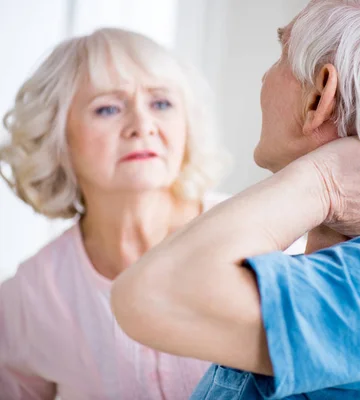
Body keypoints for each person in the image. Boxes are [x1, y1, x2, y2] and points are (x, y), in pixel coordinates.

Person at [111, 0, 360, 399]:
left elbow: (150, 295)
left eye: (280, 56)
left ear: (319, 98)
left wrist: (325, 181)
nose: (265, 77)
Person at [0, 27, 230, 399]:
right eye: (108, 108)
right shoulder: (29, 297)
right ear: (57, 137)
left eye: (161, 104)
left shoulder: (257, 235)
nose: (142, 126)